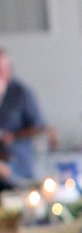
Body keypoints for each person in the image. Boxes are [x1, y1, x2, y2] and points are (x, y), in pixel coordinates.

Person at [0, 49, 57, 184]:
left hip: (17, 163)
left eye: (3, 68)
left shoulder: (22, 92)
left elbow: (39, 126)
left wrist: (13, 136)